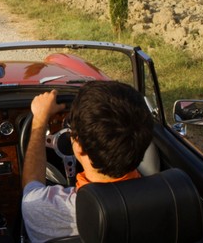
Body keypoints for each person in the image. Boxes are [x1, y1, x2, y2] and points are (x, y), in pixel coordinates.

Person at [21, 81, 154, 242]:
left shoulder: (40, 208)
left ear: (78, 146)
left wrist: (39, 120)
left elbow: (31, 187)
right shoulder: (171, 196)